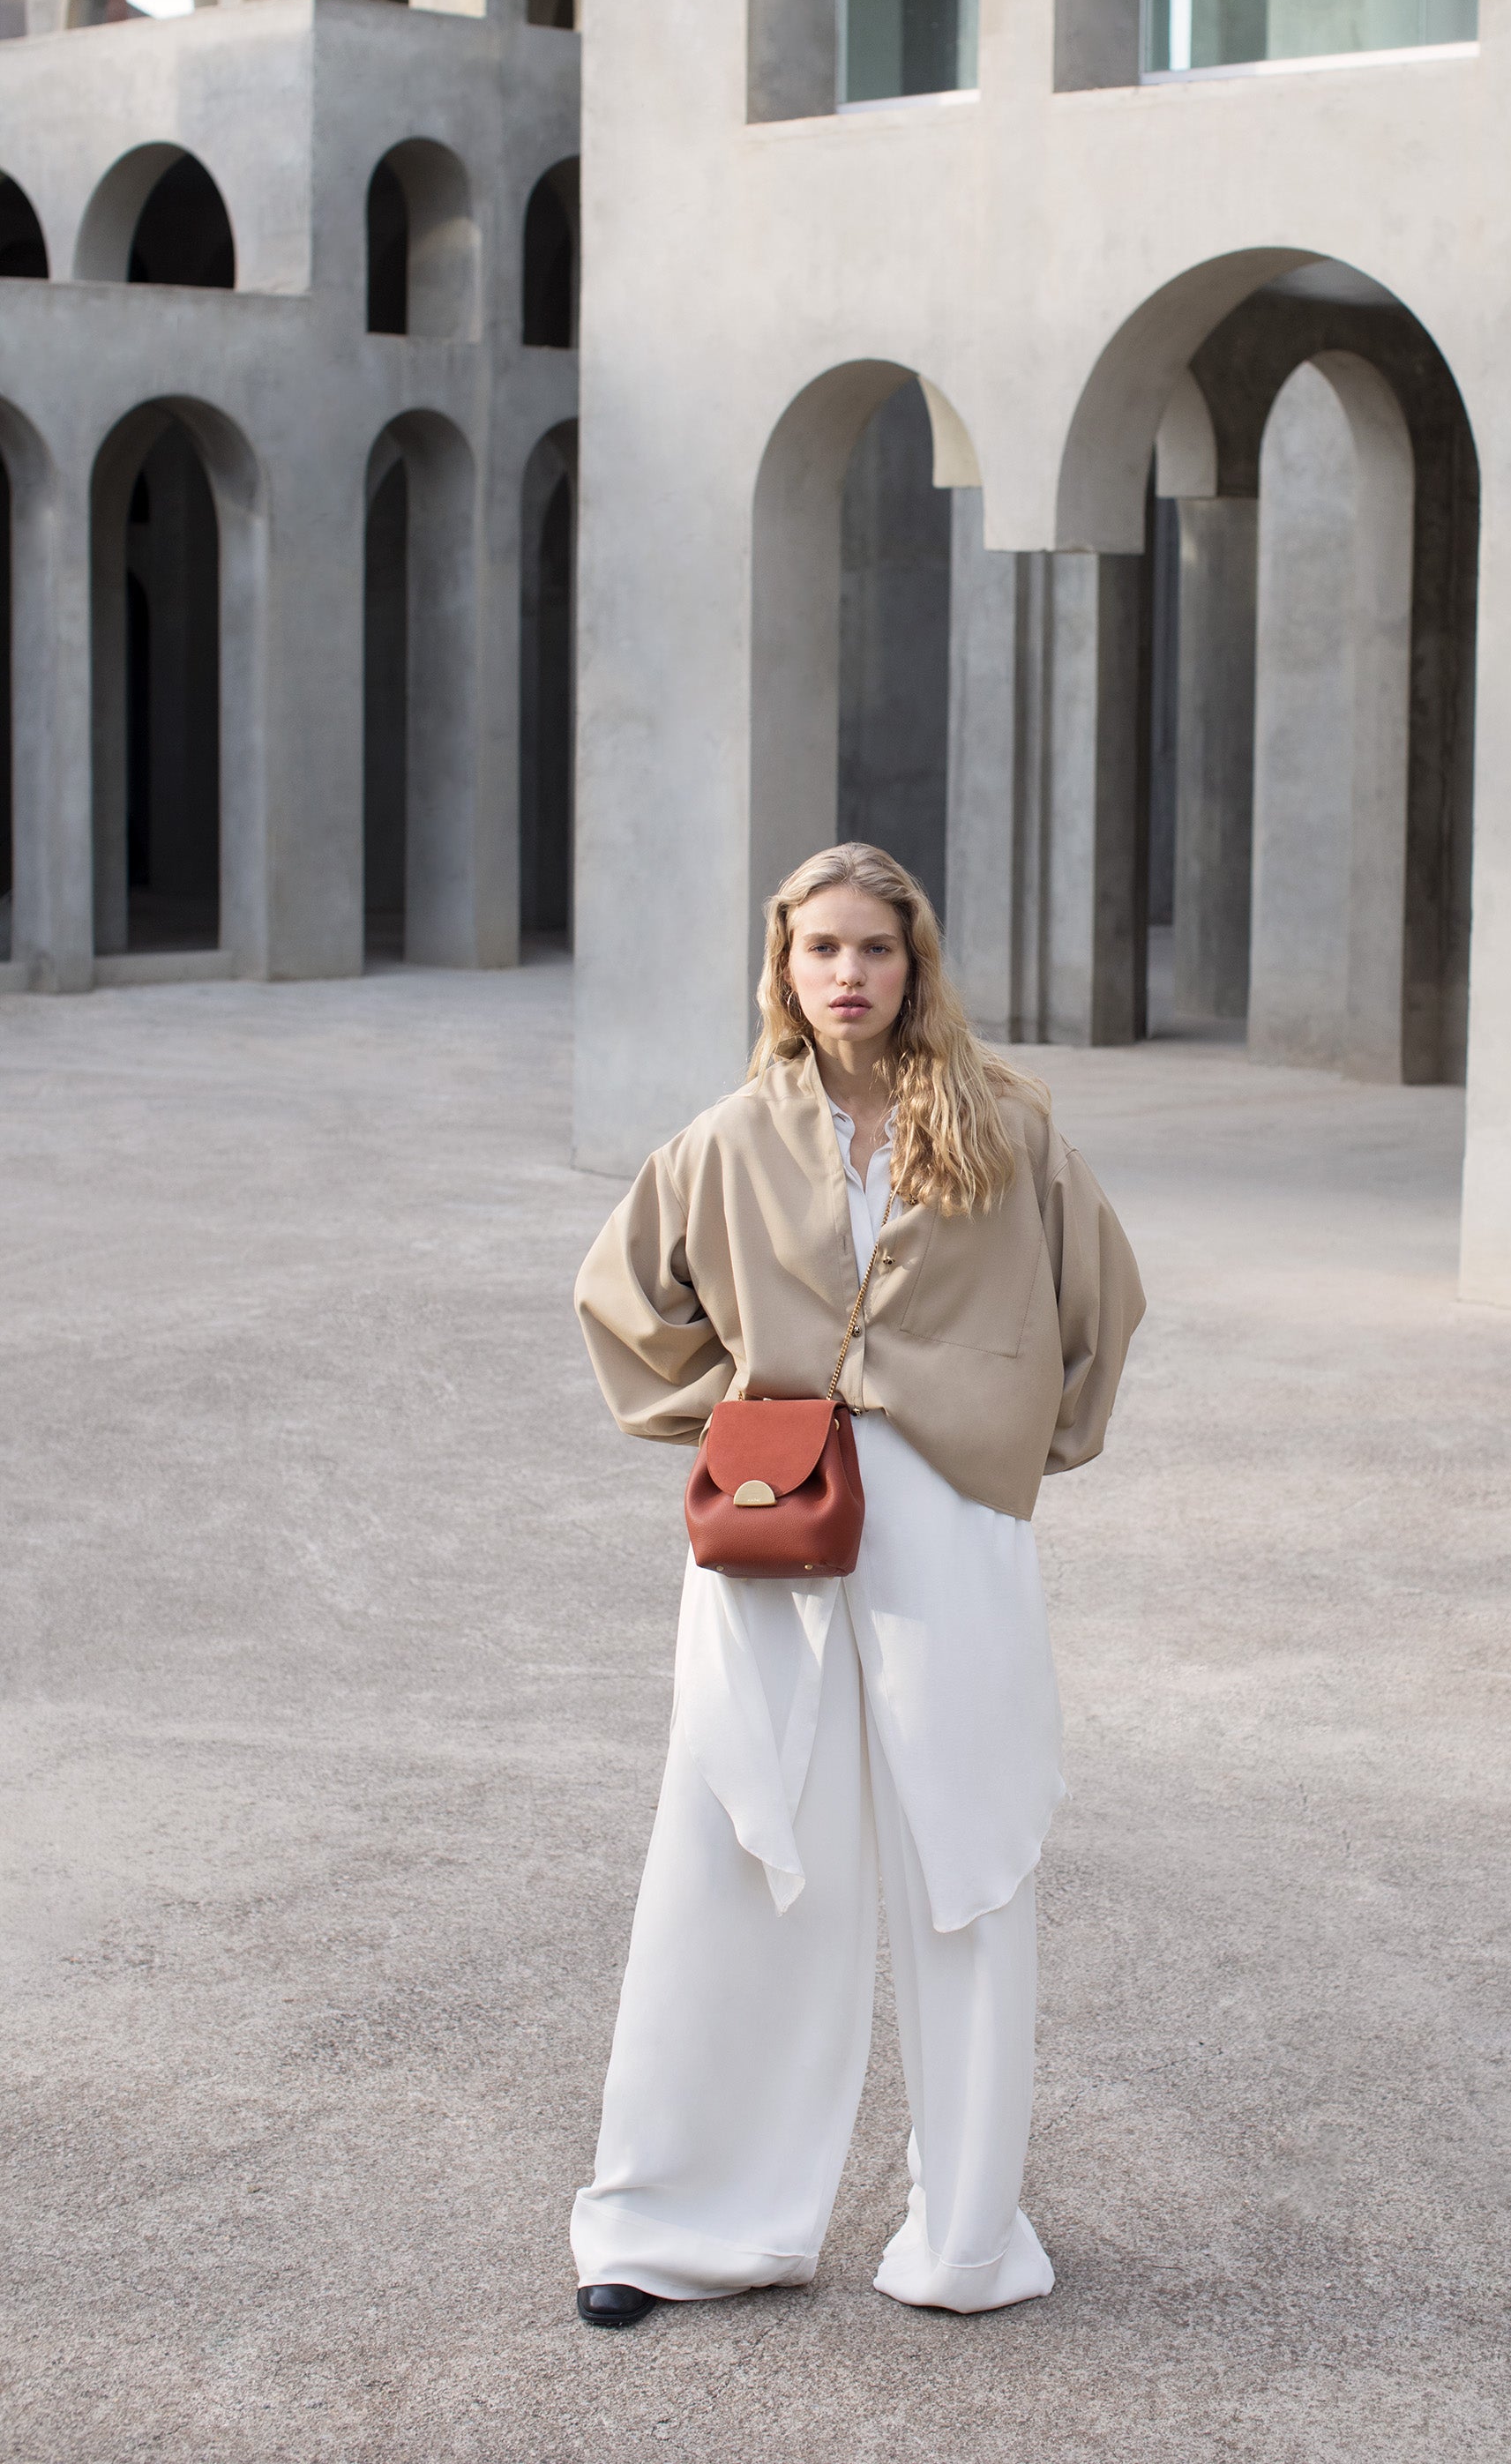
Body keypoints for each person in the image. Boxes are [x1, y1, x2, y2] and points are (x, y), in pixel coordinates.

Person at [568, 841, 1144, 2327]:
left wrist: (1003, 1446)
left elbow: (1101, 1303)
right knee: (735, 1840)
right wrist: (739, 1416)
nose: (848, 972)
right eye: (820, 947)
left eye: (875, 948)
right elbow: (622, 1303)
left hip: (951, 1528)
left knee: (969, 1856)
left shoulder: (1007, 1129)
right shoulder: (725, 1140)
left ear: (914, 963)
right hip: (779, 1526)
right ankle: (679, 2227)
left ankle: (967, 2237)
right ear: (784, 965)